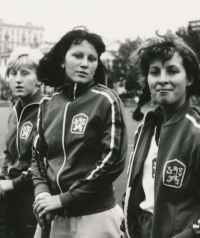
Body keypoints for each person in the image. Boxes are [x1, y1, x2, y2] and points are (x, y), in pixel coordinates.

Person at [31, 27, 127, 238]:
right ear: (62, 60)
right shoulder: (48, 103)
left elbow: (113, 159)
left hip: (95, 216)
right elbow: (38, 156)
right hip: (53, 213)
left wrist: (66, 198)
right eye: (77, 55)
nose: (85, 63)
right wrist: (42, 193)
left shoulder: (106, 100)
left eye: (92, 58)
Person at [123, 34, 200, 238]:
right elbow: (137, 189)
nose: (162, 79)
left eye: (172, 71)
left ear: (189, 78)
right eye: (154, 72)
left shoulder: (196, 132)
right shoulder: (144, 129)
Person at [0, 47, 44, 238]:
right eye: (12, 73)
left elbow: (46, 161)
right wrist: (3, 177)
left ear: (39, 78)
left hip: (33, 197)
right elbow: (9, 154)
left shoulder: (47, 110)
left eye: (25, 73)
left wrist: (14, 183)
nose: (17, 79)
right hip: (10, 195)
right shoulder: (14, 111)